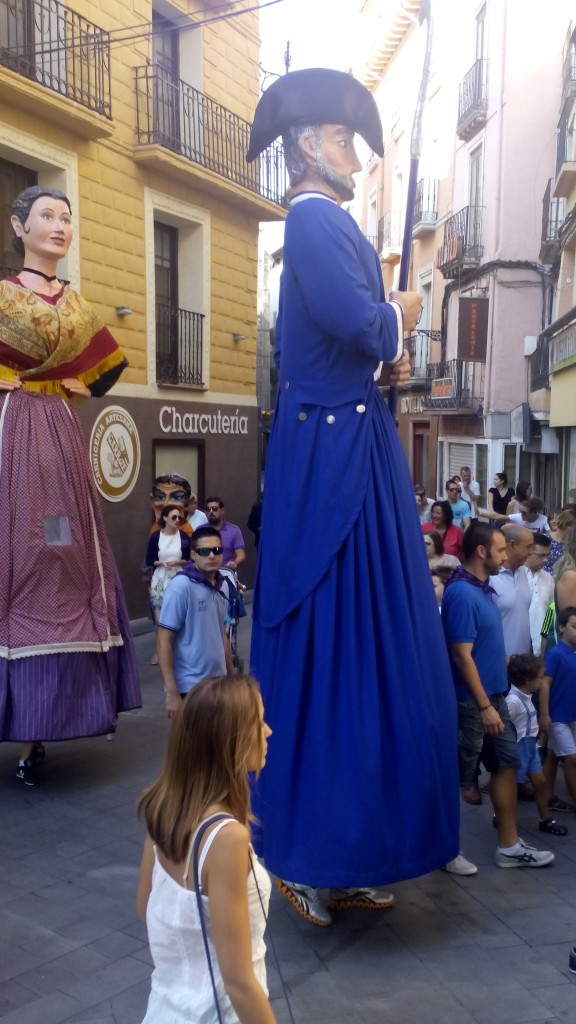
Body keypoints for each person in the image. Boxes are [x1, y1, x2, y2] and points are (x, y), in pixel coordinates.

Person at [246, 68, 459, 925]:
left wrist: (387, 352)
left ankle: (352, 849)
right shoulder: (314, 219)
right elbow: (361, 322)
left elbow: (361, 345)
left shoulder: (321, 225)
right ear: (307, 144)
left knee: (368, 657)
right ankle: (305, 853)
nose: (357, 158)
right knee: (339, 652)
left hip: (346, 437)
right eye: (344, 141)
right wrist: (400, 311)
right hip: (334, 456)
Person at [0, 186, 140, 787]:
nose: (59, 226)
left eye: (66, 217)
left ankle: (45, 716)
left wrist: (77, 385)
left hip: (58, 430)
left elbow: (106, 370)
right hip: (12, 428)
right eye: (47, 217)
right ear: (18, 227)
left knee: (59, 545)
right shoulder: (4, 296)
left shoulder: (79, 308)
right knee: (20, 547)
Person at [137, 674, 275, 1024]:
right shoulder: (227, 837)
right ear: (229, 742)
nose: (268, 731)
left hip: (167, 1007)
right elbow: (239, 984)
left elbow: (145, 905)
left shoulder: (164, 807)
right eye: (258, 722)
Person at [442, 521, 554, 868]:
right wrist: (484, 705)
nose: (506, 555)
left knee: (507, 764)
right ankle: (443, 851)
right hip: (476, 702)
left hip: (495, 696)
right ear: (482, 551)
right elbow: (462, 655)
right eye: (501, 549)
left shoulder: (483, 588)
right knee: (458, 779)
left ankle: (509, 846)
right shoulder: (461, 593)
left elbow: (486, 648)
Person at [157, 526, 235, 718]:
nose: (211, 555)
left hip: (219, 683)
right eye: (203, 551)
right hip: (191, 687)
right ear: (193, 554)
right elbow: (163, 640)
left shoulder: (222, 584)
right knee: (193, 747)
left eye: (216, 550)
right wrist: (172, 692)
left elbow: (222, 635)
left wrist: (232, 678)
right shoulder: (181, 587)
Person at [505, 654, 567, 836]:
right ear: (527, 680)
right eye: (540, 678)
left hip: (530, 747)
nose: (543, 681)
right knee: (511, 788)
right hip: (519, 749)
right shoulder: (513, 701)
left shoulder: (527, 696)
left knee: (540, 784)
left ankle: (545, 820)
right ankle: (501, 817)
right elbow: (505, 727)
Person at [540, 607, 576, 812]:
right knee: (571, 758)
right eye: (574, 626)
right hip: (558, 717)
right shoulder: (555, 654)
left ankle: (546, 796)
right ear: (562, 627)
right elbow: (545, 684)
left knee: (554, 755)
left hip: (573, 716)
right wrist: (545, 714)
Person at [145, 505, 191, 666]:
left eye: (180, 517)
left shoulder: (184, 537)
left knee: (179, 615)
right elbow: (149, 559)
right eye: (174, 517)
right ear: (165, 518)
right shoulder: (156, 536)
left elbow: (191, 558)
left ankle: (177, 649)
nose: (178, 520)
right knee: (160, 618)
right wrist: (162, 563)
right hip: (160, 578)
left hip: (178, 577)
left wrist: (179, 562)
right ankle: (159, 651)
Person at [489, 524, 534, 657]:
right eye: (528, 547)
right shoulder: (489, 577)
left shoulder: (525, 572)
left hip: (524, 662)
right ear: (511, 545)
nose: (531, 552)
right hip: (500, 662)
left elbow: (548, 608)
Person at [520, 533, 554, 657]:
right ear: (528, 552)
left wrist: (545, 636)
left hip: (540, 645)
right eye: (541, 555)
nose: (545, 560)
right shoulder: (516, 574)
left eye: (547, 555)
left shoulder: (548, 578)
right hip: (517, 644)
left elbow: (551, 609)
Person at [205, 497, 246, 571]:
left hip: (226, 572)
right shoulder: (200, 530)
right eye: (208, 509)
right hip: (205, 573)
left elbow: (241, 555)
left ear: (222, 510)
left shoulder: (234, 530)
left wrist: (234, 563)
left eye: (214, 509)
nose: (211, 511)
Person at [544, 510, 565, 575]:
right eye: (551, 519)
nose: (554, 521)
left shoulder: (570, 541)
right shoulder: (544, 538)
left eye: (557, 518)